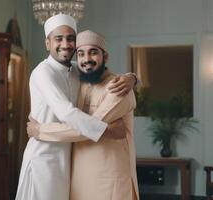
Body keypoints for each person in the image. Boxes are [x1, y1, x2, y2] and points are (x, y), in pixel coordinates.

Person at [15, 14, 136, 200]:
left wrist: (132, 77)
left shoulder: (74, 70)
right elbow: (67, 113)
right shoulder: (43, 72)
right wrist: (106, 130)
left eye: (71, 39)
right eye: (58, 39)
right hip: (45, 156)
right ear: (47, 43)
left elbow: (96, 67)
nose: (65, 44)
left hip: (68, 156)